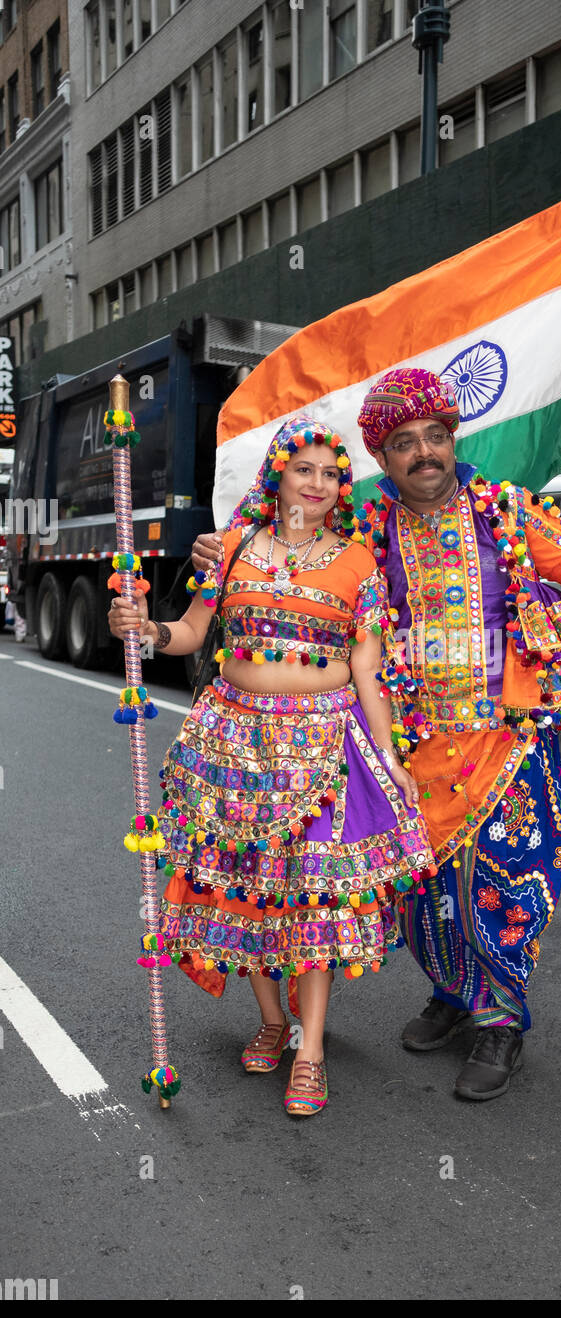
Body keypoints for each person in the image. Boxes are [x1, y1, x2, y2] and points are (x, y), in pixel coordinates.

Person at [195, 368, 561, 1102]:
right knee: (414, 891)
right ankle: (452, 991)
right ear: (382, 458)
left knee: (496, 884)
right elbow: (295, 555)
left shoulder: (504, 511)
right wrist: (219, 551)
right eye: (403, 443)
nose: (424, 453)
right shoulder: (367, 530)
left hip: (506, 738)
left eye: (434, 436)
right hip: (407, 746)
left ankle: (499, 1021)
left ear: (452, 437)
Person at [110, 416, 433, 1117]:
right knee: (248, 893)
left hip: (323, 753)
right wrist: (146, 627)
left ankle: (310, 1051)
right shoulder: (228, 551)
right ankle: (273, 1021)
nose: (316, 484)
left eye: (329, 473)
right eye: (303, 470)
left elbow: (369, 673)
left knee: (312, 902)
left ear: (340, 486)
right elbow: (193, 633)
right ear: (278, 475)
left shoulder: (357, 563)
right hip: (233, 742)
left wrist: (388, 758)